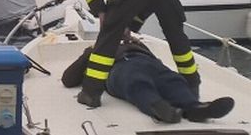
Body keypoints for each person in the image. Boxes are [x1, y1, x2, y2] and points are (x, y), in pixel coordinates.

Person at [76, 0, 201, 107]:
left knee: (108, 40)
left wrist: (101, 10)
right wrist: (129, 25)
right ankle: (192, 87)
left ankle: (90, 93)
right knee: (177, 37)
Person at [62, 35, 234, 123]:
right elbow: (68, 79)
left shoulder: (136, 43)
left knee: (174, 80)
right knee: (136, 82)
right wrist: (92, 50)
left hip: (150, 63)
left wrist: (136, 43)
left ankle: (195, 108)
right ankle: (159, 107)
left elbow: (153, 58)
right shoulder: (95, 49)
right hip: (119, 68)